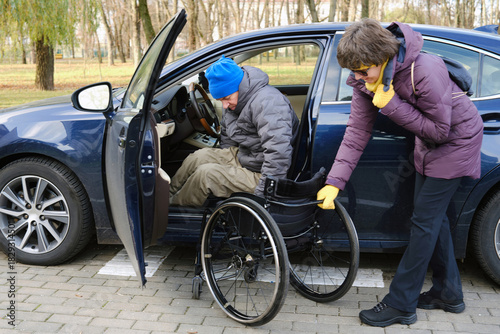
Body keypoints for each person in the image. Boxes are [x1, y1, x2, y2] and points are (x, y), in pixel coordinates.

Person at [317, 19, 483, 327]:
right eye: (352, 72)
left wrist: (391, 104)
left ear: (383, 59)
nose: (357, 78)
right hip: (428, 145)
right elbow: (356, 132)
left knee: (424, 222)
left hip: (456, 142)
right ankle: (449, 293)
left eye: (363, 71)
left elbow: (439, 131)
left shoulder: (425, 69)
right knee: (433, 219)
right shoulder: (367, 79)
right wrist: (334, 182)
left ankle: (401, 303)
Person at [170, 55, 299, 206]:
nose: (224, 105)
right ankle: (168, 193)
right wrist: (224, 167)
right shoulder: (236, 100)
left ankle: (172, 209)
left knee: (206, 175)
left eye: (227, 98)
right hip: (249, 157)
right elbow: (228, 137)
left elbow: (278, 154)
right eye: (220, 101)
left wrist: (263, 195)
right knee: (198, 157)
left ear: (239, 86)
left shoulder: (268, 103)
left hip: (266, 175)